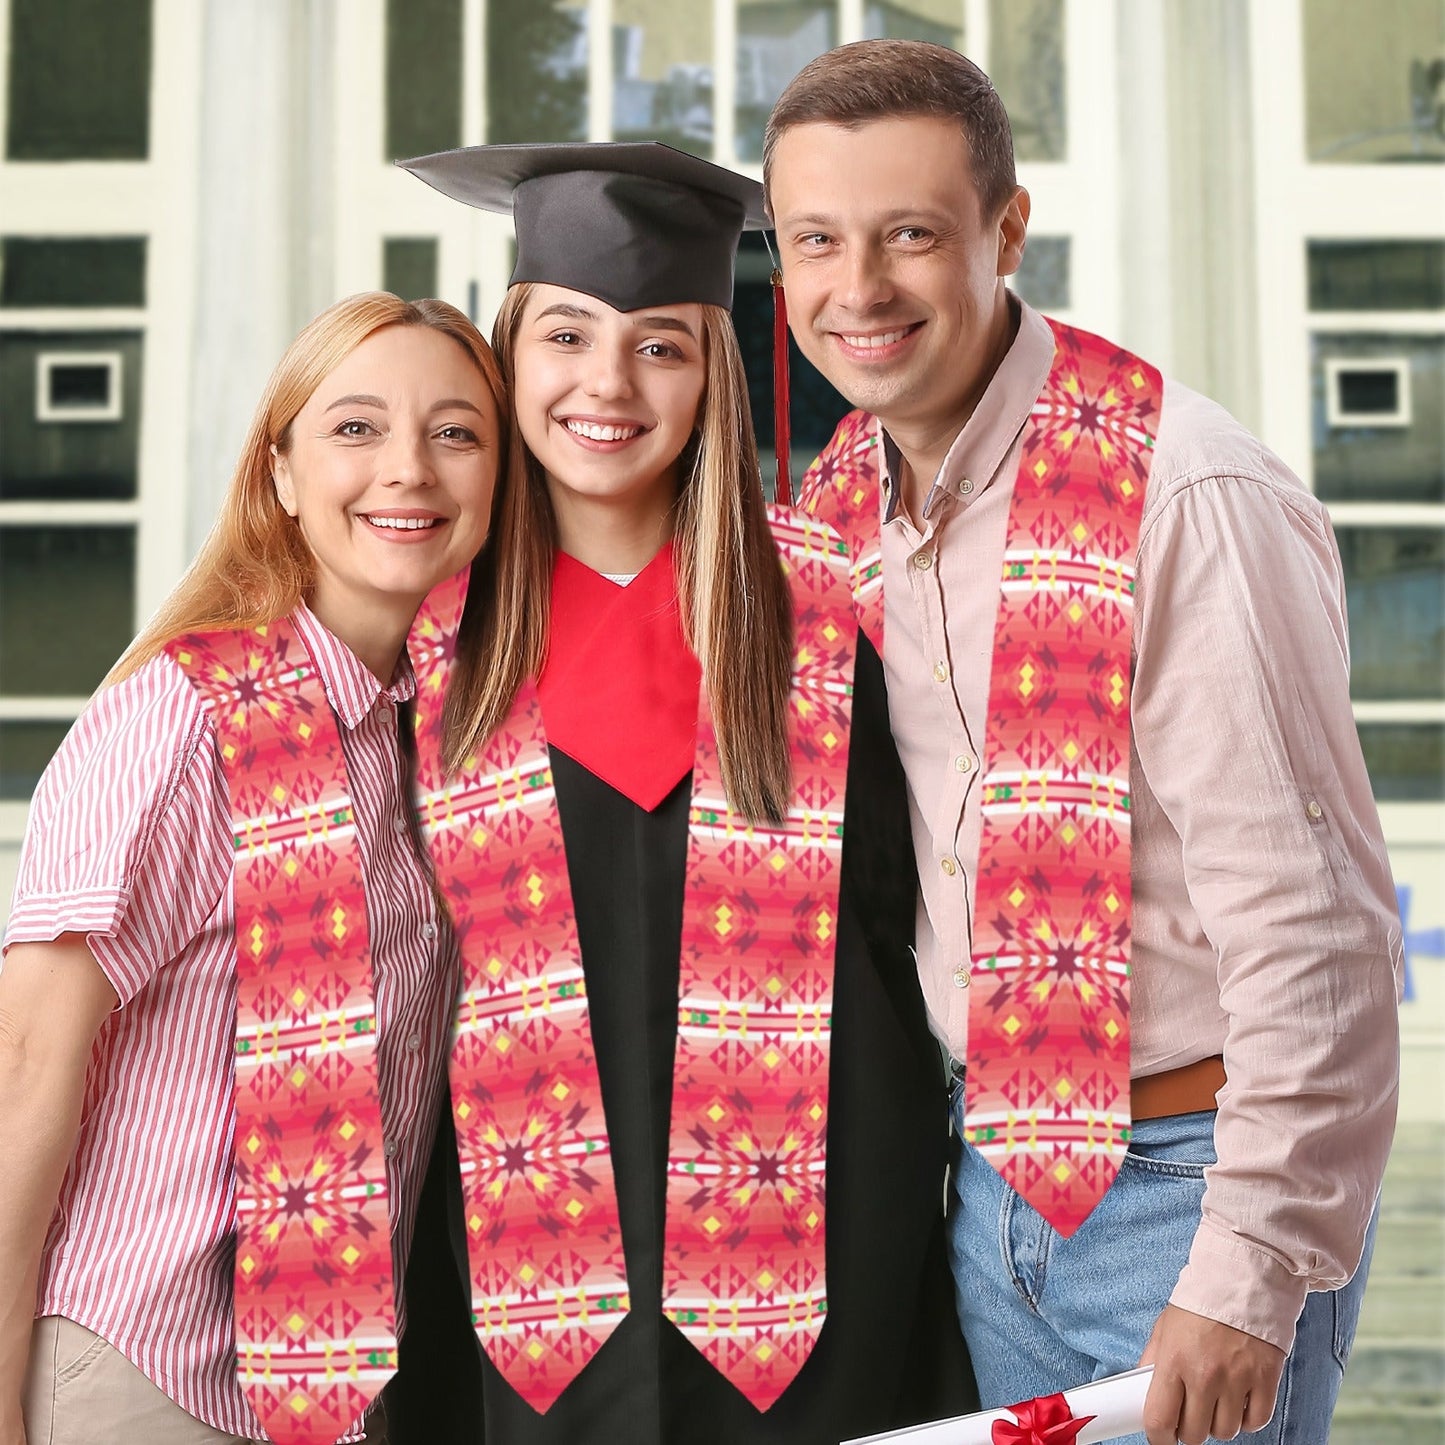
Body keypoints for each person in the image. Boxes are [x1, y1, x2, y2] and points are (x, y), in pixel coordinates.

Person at [762, 39, 1403, 1445]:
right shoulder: (840, 498)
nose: (856, 289)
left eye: (910, 235)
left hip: (1188, 1191)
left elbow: (1321, 933)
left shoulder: (1184, 495)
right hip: (988, 1184)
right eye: (816, 239)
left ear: (1005, 232)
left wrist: (1247, 1271)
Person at [379, 142, 973, 1444]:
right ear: (506, 353)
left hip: (827, 1282)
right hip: (499, 1288)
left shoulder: (837, 607)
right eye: (568, 336)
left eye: (660, 345)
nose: (608, 384)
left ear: (713, 374)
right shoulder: (417, 635)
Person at [0, 292, 506, 1445]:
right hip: (139, 1370)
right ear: (278, 473)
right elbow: (25, 1053)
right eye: (356, 427)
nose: (408, 469)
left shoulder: (425, 739)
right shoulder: (179, 718)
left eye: (456, 432)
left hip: (327, 1387)